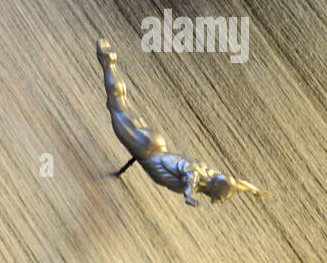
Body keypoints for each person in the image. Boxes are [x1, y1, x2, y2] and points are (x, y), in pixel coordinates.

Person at [96, 38, 262, 206]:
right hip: (145, 151)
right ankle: (108, 62)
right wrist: (188, 196)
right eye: (218, 197)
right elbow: (191, 176)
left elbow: (234, 182)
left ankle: (110, 63)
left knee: (122, 103)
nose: (217, 201)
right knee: (117, 105)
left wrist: (253, 190)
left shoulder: (211, 174)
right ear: (215, 188)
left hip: (156, 145)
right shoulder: (199, 176)